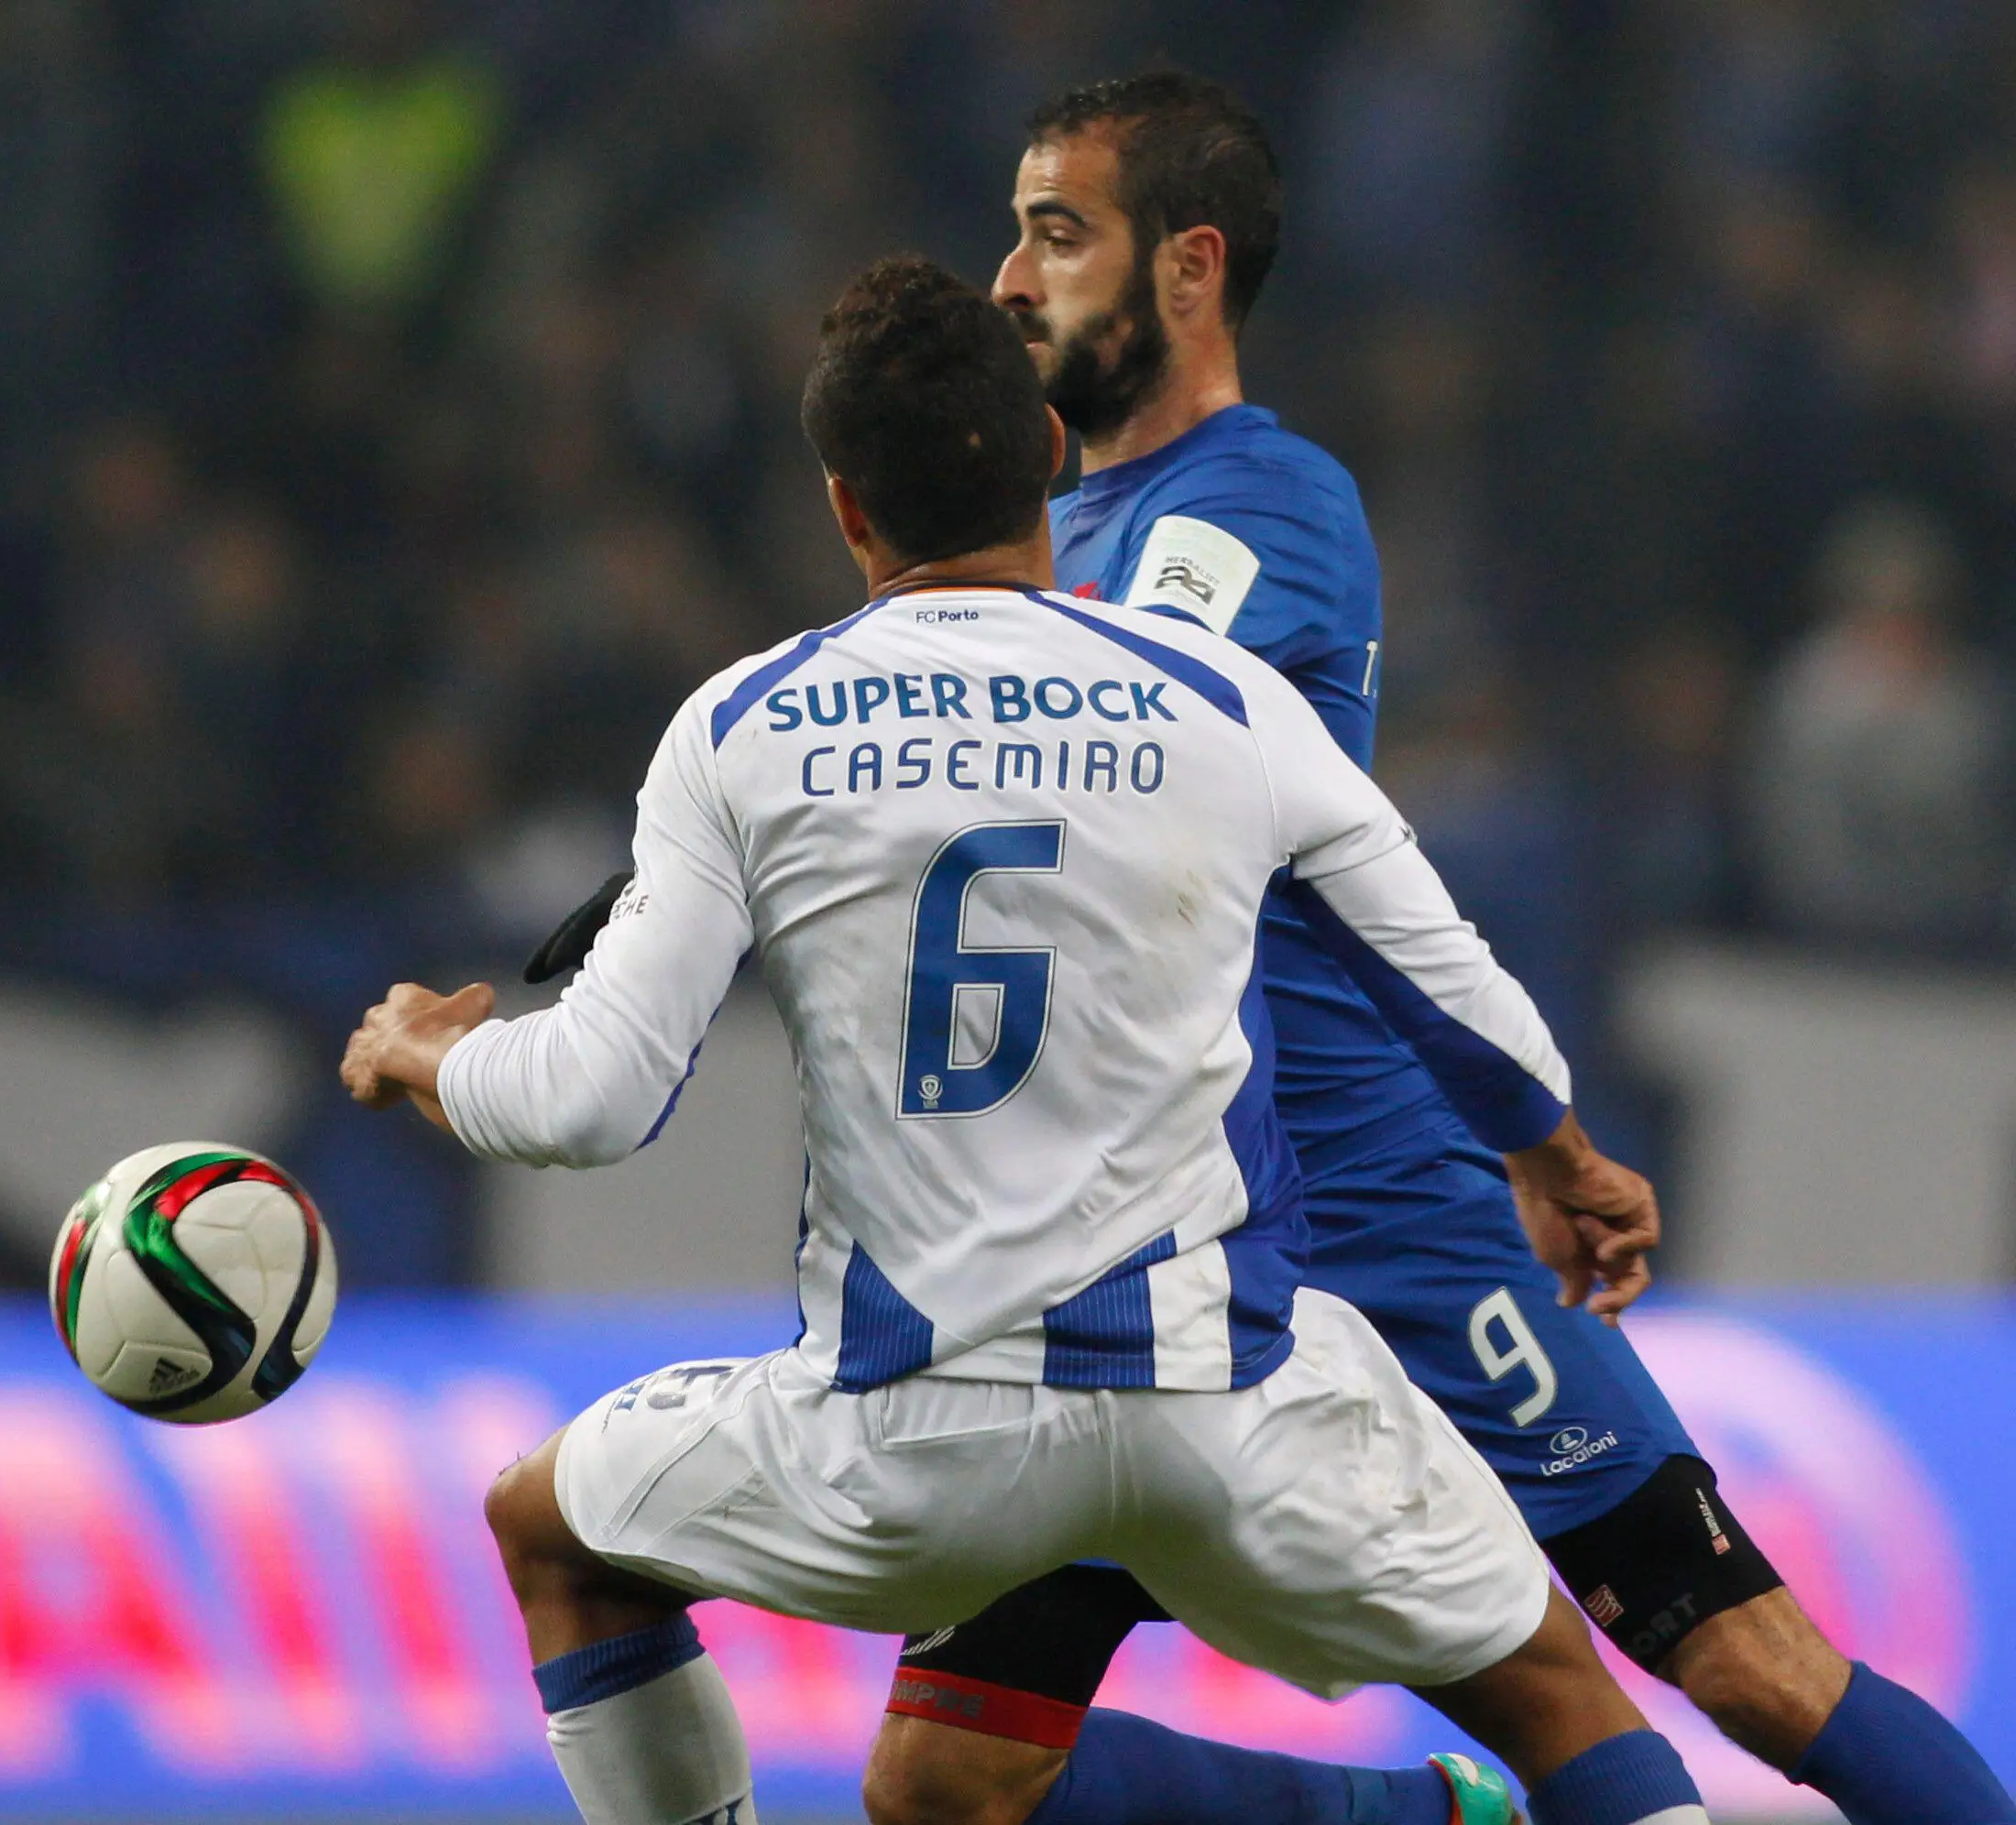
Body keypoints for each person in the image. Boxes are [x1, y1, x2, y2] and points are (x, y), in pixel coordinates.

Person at [342, 255, 1714, 1825]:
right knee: (1556, 1699)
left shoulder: (742, 726)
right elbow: (1445, 979)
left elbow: (590, 1100)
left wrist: (424, 1057)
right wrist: (1563, 1159)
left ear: (847, 509)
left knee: (551, 1530)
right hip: (1228, 1407)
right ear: (1054, 459)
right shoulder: (1215, 692)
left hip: (921, 1447)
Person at [831, 73, 2011, 1825]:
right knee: (945, 1788)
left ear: (1189, 269)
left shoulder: (1261, 507)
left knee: (1742, 1661)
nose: (1012, 278)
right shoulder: (1051, 547)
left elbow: (1120, 733)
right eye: (1014, 231)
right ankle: (1424, 1820)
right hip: (1133, 1263)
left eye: (1058, 232)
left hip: (1370, 1208)